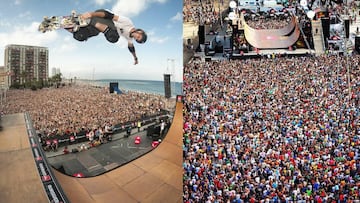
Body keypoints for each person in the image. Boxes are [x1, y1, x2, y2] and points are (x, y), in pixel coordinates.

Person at [70, 9, 147, 65]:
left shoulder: (129, 38)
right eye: (138, 36)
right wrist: (91, 14)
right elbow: (109, 15)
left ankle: (73, 26)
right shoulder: (128, 22)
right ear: (139, 31)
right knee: (114, 37)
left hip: (101, 27)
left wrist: (135, 58)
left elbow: (131, 48)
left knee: (80, 36)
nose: (136, 38)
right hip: (102, 16)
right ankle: (89, 20)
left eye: (137, 39)